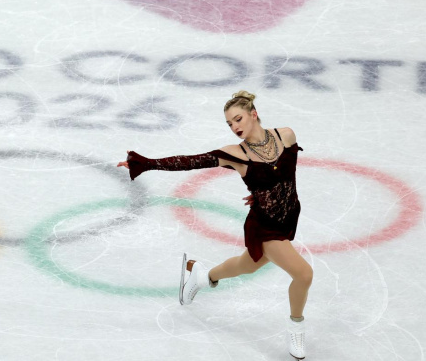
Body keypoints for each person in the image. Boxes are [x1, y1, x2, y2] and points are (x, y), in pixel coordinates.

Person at [117, 91, 313, 360]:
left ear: (253, 114)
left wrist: (264, 189)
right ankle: (296, 328)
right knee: (303, 274)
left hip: (289, 218)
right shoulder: (236, 154)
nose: (235, 127)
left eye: (238, 119)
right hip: (265, 226)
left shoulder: (286, 136)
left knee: (246, 266)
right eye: (229, 124)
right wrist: (145, 163)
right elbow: (189, 161)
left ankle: (201, 276)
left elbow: (283, 172)